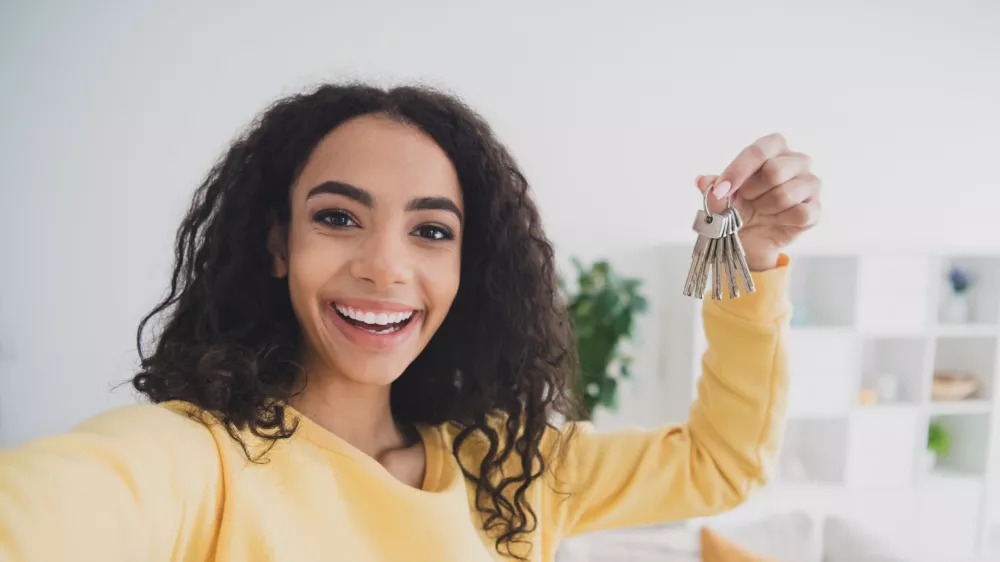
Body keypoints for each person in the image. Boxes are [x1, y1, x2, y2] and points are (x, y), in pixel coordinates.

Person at [0, 83, 820, 561]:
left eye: (431, 231)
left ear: (468, 270)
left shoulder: (513, 470)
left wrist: (746, 256)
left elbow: (721, 465)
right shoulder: (197, 462)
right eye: (338, 218)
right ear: (279, 245)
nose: (386, 266)